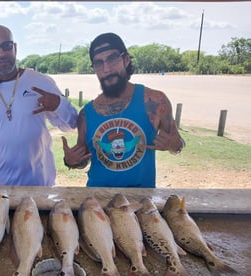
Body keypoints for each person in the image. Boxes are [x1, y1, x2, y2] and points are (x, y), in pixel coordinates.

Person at [62, 33, 185, 188]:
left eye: (112, 59)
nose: (106, 69)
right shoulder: (87, 114)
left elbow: (177, 143)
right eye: (98, 63)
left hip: (141, 203)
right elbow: (83, 159)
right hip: (97, 202)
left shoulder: (154, 100)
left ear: (126, 60)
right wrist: (71, 161)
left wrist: (174, 145)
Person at [0, 25, 78, 186]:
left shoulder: (41, 82)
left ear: (15, 47)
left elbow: (71, 124)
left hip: (39, 184)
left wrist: (59, 104)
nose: (1, 53)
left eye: (6, 46)